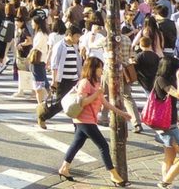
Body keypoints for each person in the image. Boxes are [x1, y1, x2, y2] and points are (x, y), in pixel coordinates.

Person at [56, 56, 131, 185]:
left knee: (77, 144)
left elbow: (105, 103)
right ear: (93, 68)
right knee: (103, 146)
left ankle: (64, 168)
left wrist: (122, 113)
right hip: (84, 120)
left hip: (88, 120)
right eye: (100, 68)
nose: (102, 70)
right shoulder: (85, 83)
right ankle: (114, 175)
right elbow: (82, 102)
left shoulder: (97, 83)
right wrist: (96, 94)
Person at [154, 56, 179, 189]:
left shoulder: (166, 80)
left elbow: (172, 104)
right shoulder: (162, 80)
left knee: (169, 158)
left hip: (170, 124)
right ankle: (165, 182)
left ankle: (166, 183)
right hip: (168, 127)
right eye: (177, 67)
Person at [38, 26, 83, 129]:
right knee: (60, 104)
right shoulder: (60, 46)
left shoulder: (75, 46)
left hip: (74, 79)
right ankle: (43, 116)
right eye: (76, 36)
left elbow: (78, 62)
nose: (77, 39)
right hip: (62, 80)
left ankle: (79, 126)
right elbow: (54, 64)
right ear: (69, 35)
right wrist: (54, 80)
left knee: (75, 103)